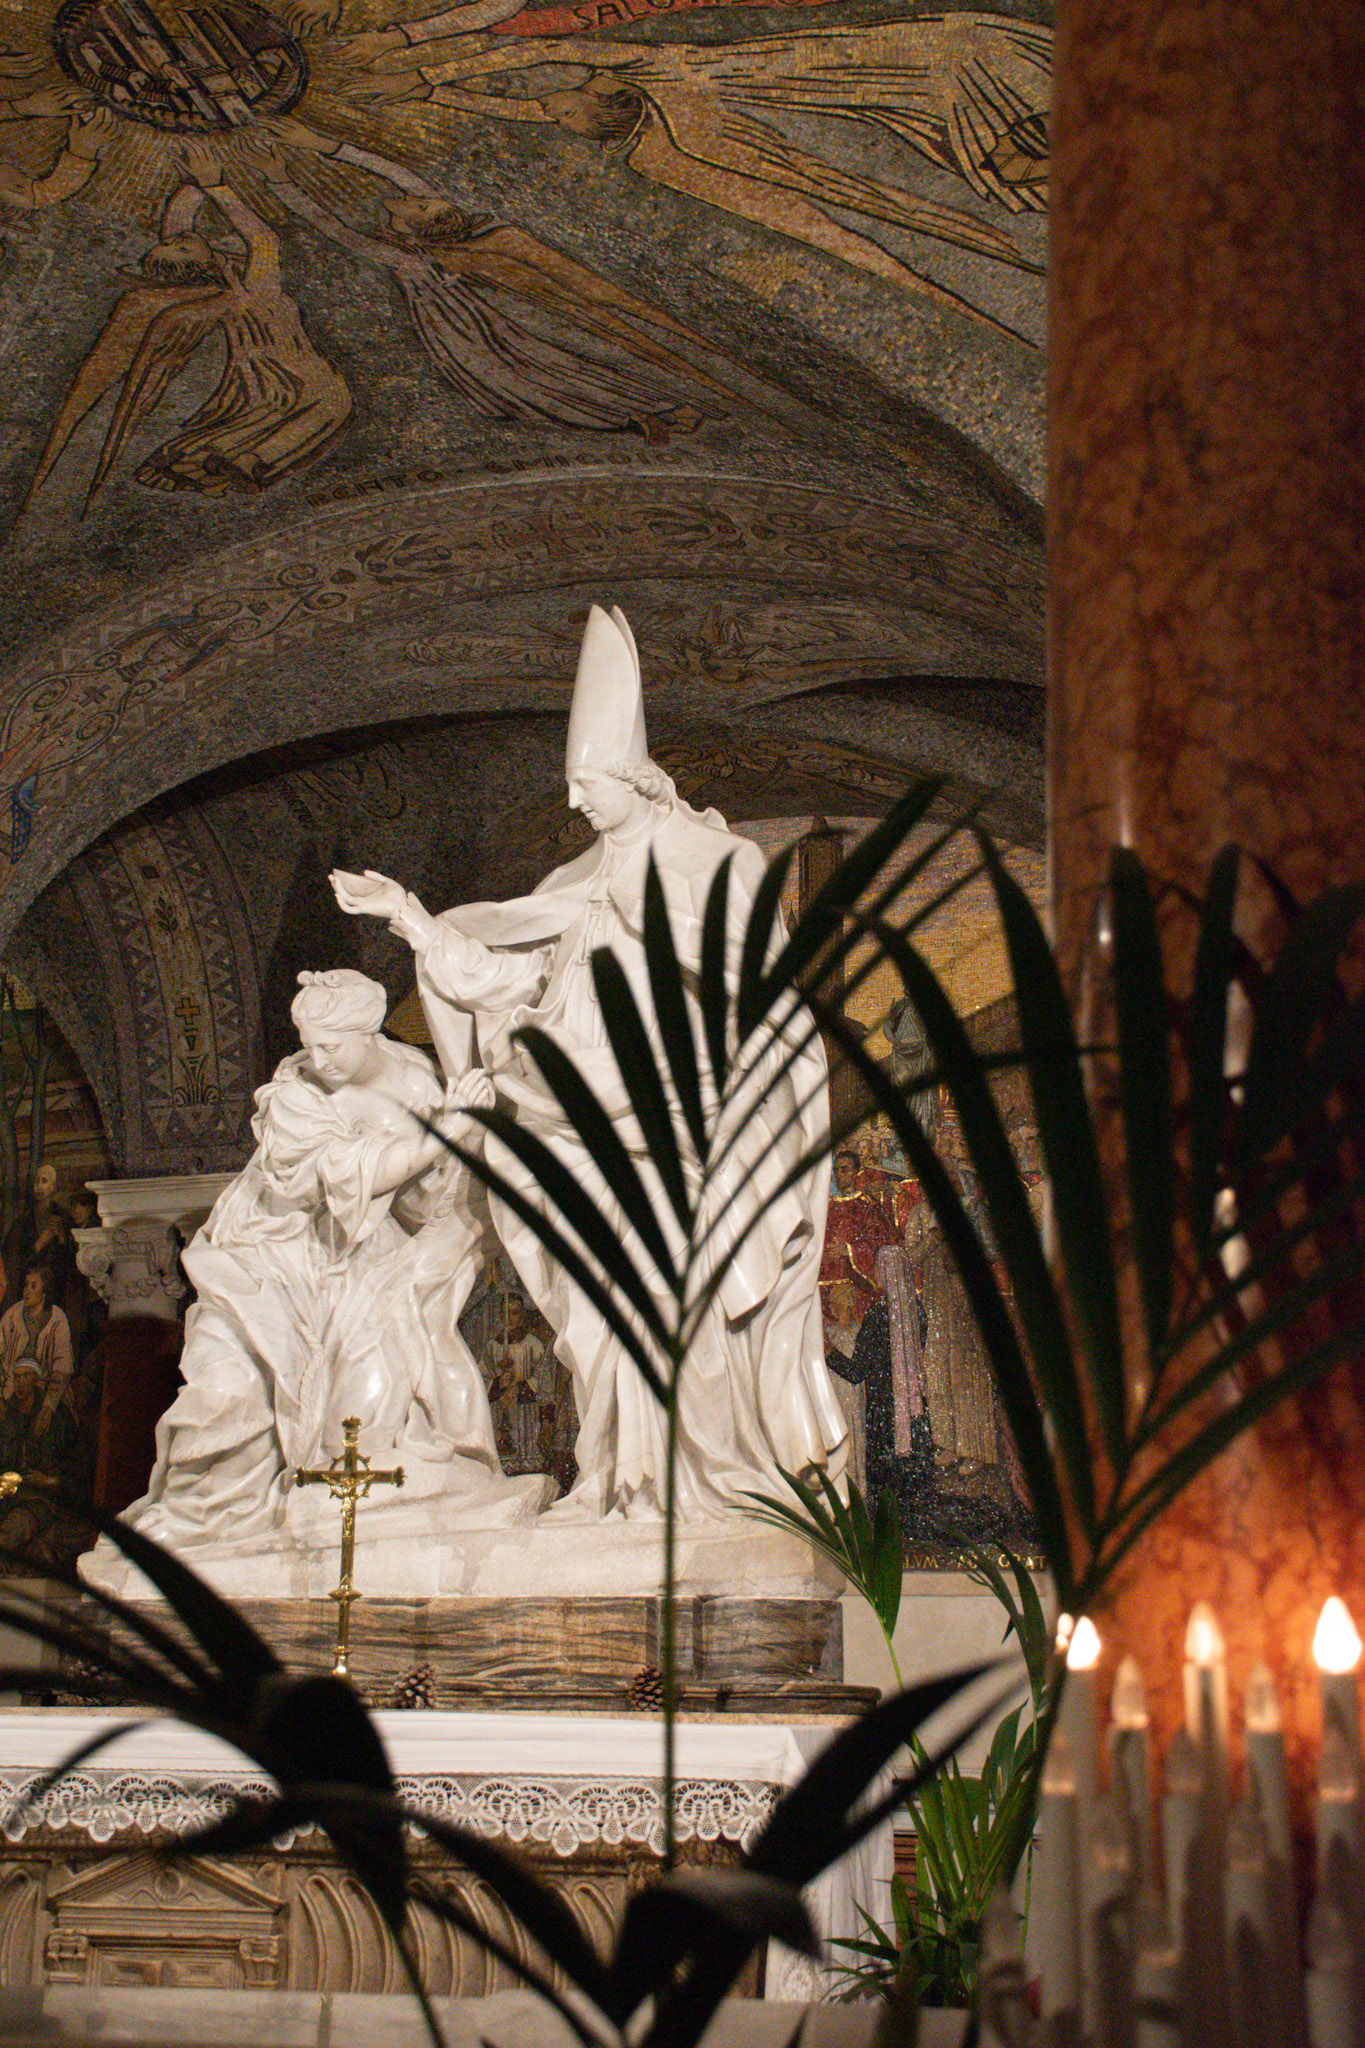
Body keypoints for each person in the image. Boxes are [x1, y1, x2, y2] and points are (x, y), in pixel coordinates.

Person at [332, 605, 847, 1520]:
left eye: (586, 782)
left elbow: (757, 995)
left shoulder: (718, 865)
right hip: (573, 1123)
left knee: (676, 1297)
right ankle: (617, 1478)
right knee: (599, 1312)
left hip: (679, 1123)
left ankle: (702, 1487)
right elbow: (503, 980)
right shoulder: (574, 884)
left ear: (633, 778)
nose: (574, 802)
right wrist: (409, 916)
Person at [94, 969, 548, 1565]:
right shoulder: (294, 1097)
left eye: (331, 1046)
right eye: (310, 1045)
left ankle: (432, 1475)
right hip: (263, 1262)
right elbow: (352, 1174)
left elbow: (431, 1199)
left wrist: (462, 1141)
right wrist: (447, 1132)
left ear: (369, 1033)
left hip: (352, 1262)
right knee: (225, 1398)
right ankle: (197, 1518)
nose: (318, 1059)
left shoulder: (416, 1079)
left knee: (390, 1373)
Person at [0, 1261, 76, 1470]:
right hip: (13, 1389)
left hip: (47, 1394)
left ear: (44, 1292)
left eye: (33, 1286)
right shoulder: (13, 1314)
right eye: (26, 1285)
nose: (27, 1291)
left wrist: (49, 1405)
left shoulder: (57, 1318)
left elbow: (63, 1364)